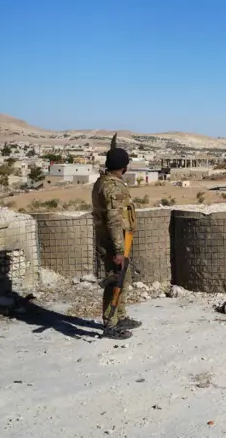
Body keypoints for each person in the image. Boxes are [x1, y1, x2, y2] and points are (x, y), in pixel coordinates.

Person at [92, 146, 140, 340]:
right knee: (115, 281)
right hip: (114, 241)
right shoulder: (112, 186)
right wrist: (119, 250)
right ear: (124, 167)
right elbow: (113, 219)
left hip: (118, 239)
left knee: (124, 279)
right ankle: (110, 324)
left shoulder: (104, 181)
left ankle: (120, 316)